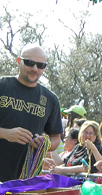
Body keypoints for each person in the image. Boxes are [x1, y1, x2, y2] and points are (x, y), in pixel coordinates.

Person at [0, 44, 61, 181]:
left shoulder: (50, 99)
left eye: (40, 65)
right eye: (29, 63)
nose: (34, 69)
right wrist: (5, 133)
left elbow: (55, 138)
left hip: (24, 179)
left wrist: (43, 144)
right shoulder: (2, 86)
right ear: (18, 61)